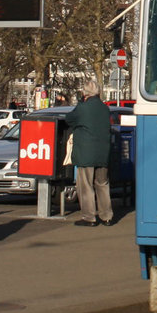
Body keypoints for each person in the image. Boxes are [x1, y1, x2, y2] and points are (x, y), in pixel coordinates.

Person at [66, 79, 113, 227]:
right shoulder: (105, 109)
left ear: (85, 93)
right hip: (103, 152)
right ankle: (107, 216)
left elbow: (69, 119)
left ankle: (89, 217)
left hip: (86, 152)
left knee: (85, 185)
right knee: (102, 184)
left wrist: (81, 103)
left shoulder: (82, 108)